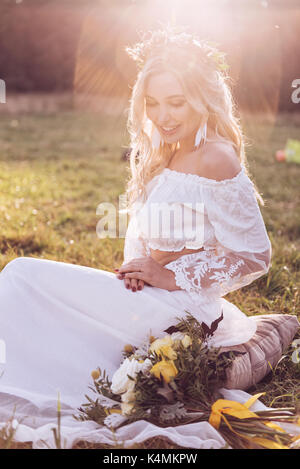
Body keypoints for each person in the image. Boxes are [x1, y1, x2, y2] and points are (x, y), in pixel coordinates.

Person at [0, 27, 272, 449]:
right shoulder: (165, 150)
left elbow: (254, 254)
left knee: (20, 274)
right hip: (144, 295)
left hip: (178, 310)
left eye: (176, 102)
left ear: (203, 97)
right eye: (153, 102)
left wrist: (169, 276)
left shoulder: (216, 156)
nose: (162, 115)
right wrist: (139, 270)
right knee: (35, 298)